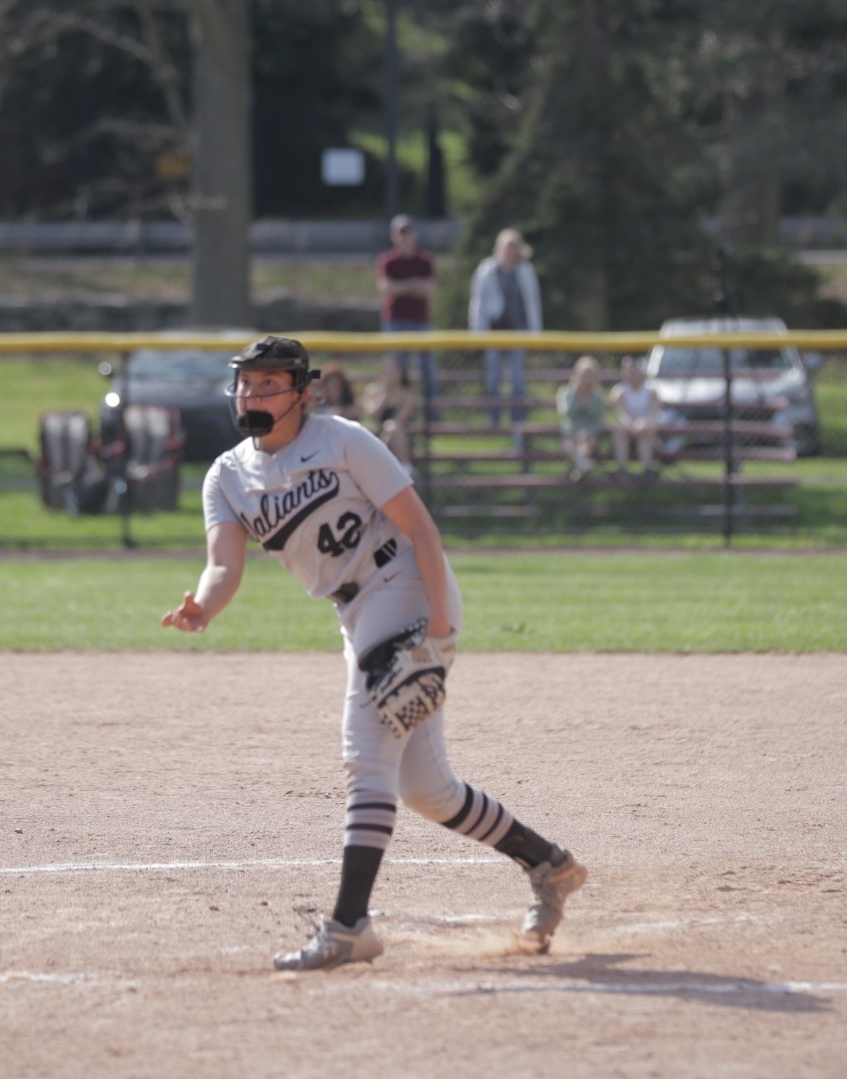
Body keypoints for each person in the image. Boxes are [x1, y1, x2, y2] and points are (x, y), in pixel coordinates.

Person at [161, 335, 586, 972]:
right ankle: (548, 865)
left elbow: (422, 529)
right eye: (247, 383)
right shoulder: (227, 476)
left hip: (409, 590)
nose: (253, 394)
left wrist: (438, 628)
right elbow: (223, 565)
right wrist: (202, 603)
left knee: (365, 754)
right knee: (425, 787)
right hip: (355, 614)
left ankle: (350, 924)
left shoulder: (342, 440)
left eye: (269, 384)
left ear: (302, 394)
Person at [467, 227, 543, 428]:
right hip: (494, 332)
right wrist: (477, 334)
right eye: (506, 247)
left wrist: (536, 334)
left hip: (517, 332)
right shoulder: (487, 270)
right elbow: (478, 304)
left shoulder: (525, 271)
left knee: (518, 378)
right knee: (493, 379)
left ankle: (518, 422)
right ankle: (494, 422)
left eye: (513, 247)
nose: (509, 252)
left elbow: (532, 302)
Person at [376, 214, 438, 417]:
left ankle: (432, 412)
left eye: (408, 233)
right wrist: (413, 285)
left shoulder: (424, 259)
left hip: (420, 321)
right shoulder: (388, 260)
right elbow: (386, 288)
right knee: (396, 370)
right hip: (395, 321)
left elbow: (429, 289)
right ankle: (398, 413)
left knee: (427, 368)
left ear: (414, 234)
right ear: (394, 236)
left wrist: (402, 287)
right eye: (401, 233)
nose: (405, 237)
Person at [360, 353, 418, 464]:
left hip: (400, 435)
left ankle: (405, 466)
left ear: (401, 373)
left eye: (394, 370)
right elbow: (373, 415)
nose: (390, 374)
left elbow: (400, 420)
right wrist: (385, 394)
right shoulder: (372, 391)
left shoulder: (407, 395)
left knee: (391, 427)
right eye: (387, 370)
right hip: (376, 432)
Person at [556, 355, 607, 482]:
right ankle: (582, 467)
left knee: (586, 444)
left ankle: (579, 471)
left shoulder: (598, 394)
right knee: (568, 445)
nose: (587, 379)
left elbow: (597, 416)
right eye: (585, 374)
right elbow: (566, 412)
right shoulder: (567, 392)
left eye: (590, 374)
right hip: (571, 429)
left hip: (590, 432)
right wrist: (577, 395)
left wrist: (587, 401)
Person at [609, 354, 661, 473]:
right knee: (618, 429)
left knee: (648, 430)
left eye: (634, 369)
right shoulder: (619, 391)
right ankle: (622, 469)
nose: (632, 373)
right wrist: (631, 425)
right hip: (627, 426)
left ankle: (647, 469)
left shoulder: (651, 390)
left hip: (645, 426)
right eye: (628, 370)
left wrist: (644, 423)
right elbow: (620, 413)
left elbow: (654, 413)